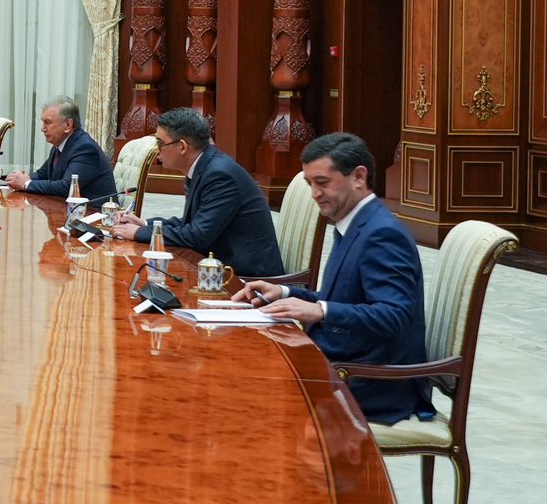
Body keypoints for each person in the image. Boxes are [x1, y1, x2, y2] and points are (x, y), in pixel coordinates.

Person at [240, 133, 429, 425]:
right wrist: (285, 292)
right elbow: (346, 300)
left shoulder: (382, 234)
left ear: (358, 177)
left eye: (323, 182)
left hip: (368, 382)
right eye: (310, 184)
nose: (315, 193)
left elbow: (394, 316)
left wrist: (321, 310)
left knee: (248, 389)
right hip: (344, 363)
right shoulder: (356, 223)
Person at [111, 107, 284, 278]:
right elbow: (190, 223)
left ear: (182, 146)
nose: (157, 150)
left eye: (160, 143)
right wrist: (144, 224)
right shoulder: (205, 166)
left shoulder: (220, 175)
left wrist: (138, 233)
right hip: (218, 268)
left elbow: (197, 236)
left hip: (246, 278)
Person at [8, 96, 115, 202]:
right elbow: (42, 175)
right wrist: (20, 179)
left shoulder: (85, 148)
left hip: (94, 211)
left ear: (68, 125)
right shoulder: (59, 146)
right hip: (66, 208)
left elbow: (67, 187)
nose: (42, 129)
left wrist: (26, 184)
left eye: (47, 122)